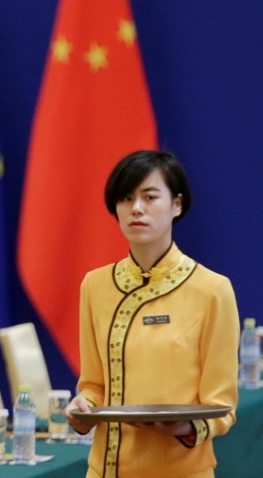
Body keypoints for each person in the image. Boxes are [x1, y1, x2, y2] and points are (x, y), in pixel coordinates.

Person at [65, 149, 238, 477]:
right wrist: (82, 407)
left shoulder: (212, 289)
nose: (136, 208)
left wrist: (187, 426)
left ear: (177, 204)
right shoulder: (95, 285)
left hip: (179, 469)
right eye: (126, 198)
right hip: (103, 469)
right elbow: (93, 385)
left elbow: (222, 406)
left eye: (150, 197)